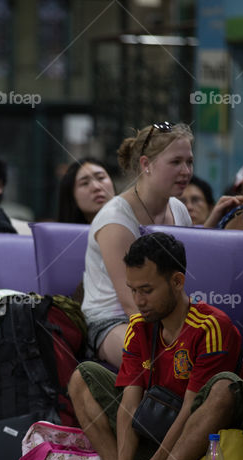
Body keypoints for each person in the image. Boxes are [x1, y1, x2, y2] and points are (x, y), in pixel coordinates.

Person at [68, 232, 243, 460]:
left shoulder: (211, 326)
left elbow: (189, 409)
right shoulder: (138, 327)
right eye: (133, 290)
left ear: (177, 281)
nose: (138, 301)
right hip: (154, 431)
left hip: (198, 438)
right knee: (82, 378)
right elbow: (129, 406)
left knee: (224, 387)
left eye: (147, 290)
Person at [81, 122, 194, 368]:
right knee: (162, 361)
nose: (186, 171)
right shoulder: (115, 218)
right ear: (146, 165)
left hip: (166, 315)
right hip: (111, 322)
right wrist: (176, 339)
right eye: (175, 162)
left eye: (189, 162)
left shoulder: (179, 210)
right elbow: (132, 303)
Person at [57, 158, 115, 224]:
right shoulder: (61, 233)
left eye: (100, 178)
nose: (96, 187)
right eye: (85, 183)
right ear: (71, 195)